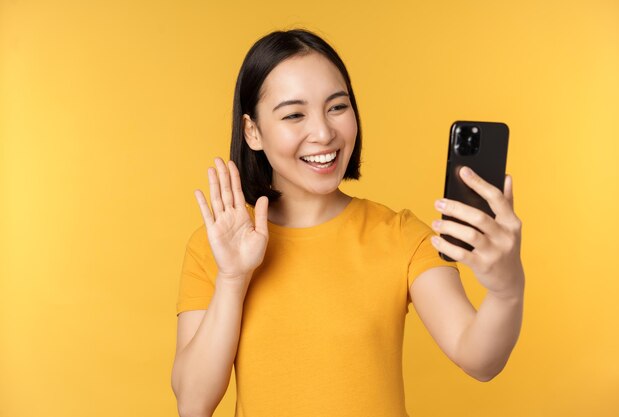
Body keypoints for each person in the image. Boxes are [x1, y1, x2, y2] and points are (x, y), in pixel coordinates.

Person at [170, 29, 525, 417]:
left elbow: (480, 358)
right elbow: (193, 403)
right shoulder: (215, 248)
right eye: (294, 114)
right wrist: (232, 279)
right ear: (252, 131)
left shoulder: (401, 236)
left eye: (337, 107)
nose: (324, 133)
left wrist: (507, 289)